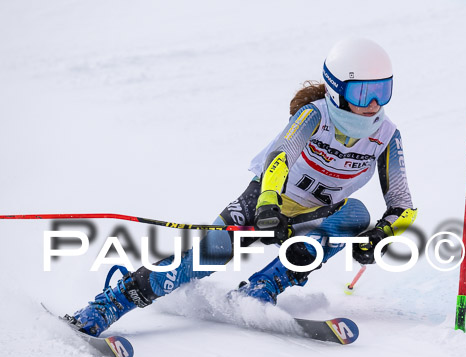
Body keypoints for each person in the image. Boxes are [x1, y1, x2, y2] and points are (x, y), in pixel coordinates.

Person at [68, 38, 417, 337]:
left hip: (315, 215)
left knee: (357, 214)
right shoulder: (315, 115)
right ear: (338, 89)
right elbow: (280, 156)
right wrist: (268, 204)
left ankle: (262, 288)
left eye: (382, 90)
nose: (375, 103)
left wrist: (383, 233)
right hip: (266, 201)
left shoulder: (386, 137)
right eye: (364, 92)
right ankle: (108, 306)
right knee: (206, 257)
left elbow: (403, 204)